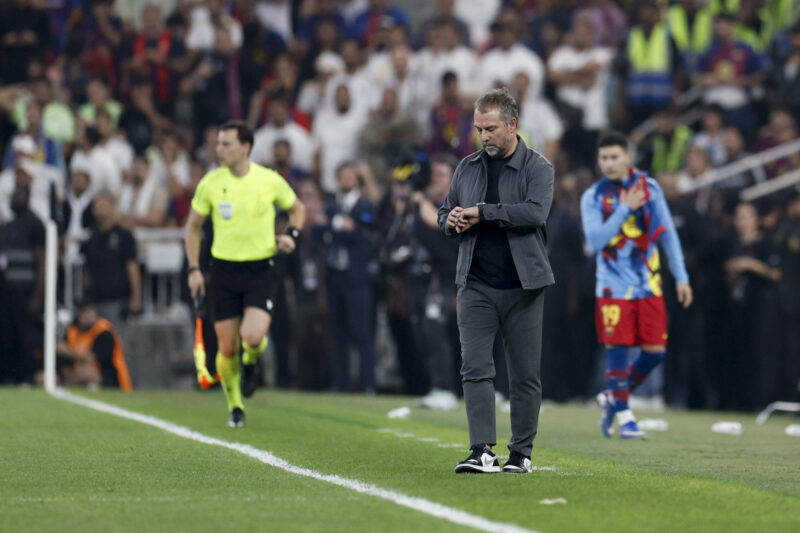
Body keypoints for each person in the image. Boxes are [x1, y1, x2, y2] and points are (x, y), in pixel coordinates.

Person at [438, 88, 554, 474]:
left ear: (512, 125)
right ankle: (482, 450)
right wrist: (452, 220)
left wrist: (483, 212)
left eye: (490, 129)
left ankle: (521, 454)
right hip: (475, 282)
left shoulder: (539, 168)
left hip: (523, 285)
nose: (483, 136)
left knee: (524, 375)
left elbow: (534, 213)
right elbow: (444, 212)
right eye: (479, 129)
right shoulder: (467, 167)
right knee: (474, 368)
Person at [185, 121, 305, 428]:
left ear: (245, 147)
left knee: (252, 337)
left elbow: (298, 209)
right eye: (218, 144)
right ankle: (235, 406)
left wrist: (291, 235)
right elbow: (193, 227)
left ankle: (251, 362)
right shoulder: (211, 183)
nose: (219, 150)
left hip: (260, 270)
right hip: (223, 271)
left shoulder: (268, 180)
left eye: (226, 144)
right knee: (227, 348)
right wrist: (195, 269)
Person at [580, 131, 693, 439]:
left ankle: (613, 396)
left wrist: (681, 276)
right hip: (612, 287)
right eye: (604, 158)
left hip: (648, 283)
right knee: (618, 351)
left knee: (655, 352)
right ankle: (626, 417)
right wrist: (624, 208)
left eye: (615, 157)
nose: (609, 163)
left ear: (628, 158)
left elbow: (667, 234)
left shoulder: (650, 189)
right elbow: (596, 241)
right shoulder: (592, 196)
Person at [57, 299, 132, 391]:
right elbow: (60, 351)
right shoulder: (73, 330)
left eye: (90, 312)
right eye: (83, 312)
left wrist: (67, 352)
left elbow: (90, 359)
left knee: (85, 373)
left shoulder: (104, 331)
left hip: (110, 378)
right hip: (77, 374)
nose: (87, 316)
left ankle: (63, 390)